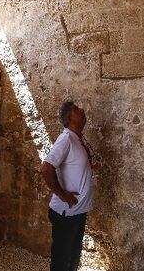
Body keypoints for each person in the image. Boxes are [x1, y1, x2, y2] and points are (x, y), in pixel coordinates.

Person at [40, 101, 95, 271]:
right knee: (61, 260)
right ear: (70, 117)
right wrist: (63, 195)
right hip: (66, 211)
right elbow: (46, 168)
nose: (83, 110)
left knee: (73, 257)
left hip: (78, 210)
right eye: (77, 109)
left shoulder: (78, 138)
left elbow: (74, 165)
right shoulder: (66, 139)